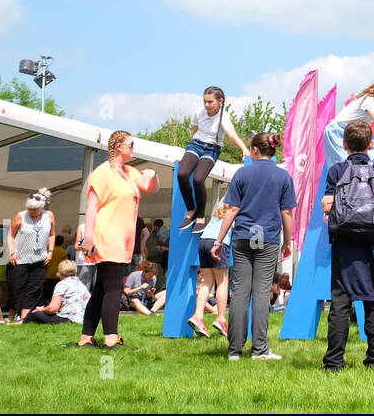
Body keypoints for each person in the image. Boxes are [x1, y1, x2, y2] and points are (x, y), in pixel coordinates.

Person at [321, 119, 374, 371]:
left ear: (344, 145)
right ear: (370, 145)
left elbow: (326, 205)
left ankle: (334, 362)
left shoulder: (336, 171)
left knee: (340, 304)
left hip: (344, 246)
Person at [215, 131, 295, 360]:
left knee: (240, 291)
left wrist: (219, 240)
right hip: (268, 237)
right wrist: (287, 242)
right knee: (261, 292)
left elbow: (231, 209)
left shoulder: (242, 173)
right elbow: (287, 212)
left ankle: (234, 350)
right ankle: (260, 349)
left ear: (255, 150)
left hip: (242, 236)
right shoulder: (282, 176)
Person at [78, 132, 159, 348]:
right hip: (107, 235)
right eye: (131, 144)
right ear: (118, 146)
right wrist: (88, 237)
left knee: (102, 289)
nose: (134, 148)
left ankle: (86, 337)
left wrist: (154, 175)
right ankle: (111, 338)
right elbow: (92, 206)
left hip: (125, 239)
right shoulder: (101, 174)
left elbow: (151, 188)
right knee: (114, 288)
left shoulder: (130, 172)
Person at [175, 87, 249, 232]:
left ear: (220, 101)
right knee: (182, 174)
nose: (207, 105)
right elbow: (195, 132)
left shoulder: (224, 116)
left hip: (212, 148)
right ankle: (191, 210)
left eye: (210, 102)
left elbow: (232, 135)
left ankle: (201, 217)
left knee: (198, 179)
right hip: (195, 145)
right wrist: (186, 155)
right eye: (205, 102)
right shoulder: (198, 112)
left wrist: (244, 149)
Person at [7, 189, 56, 323]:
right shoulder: (20, 216)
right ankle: (12, 315)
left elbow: (52, 234)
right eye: (29, 208)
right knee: (16, 288)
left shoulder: (49, 216)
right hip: (20, 258)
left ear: (42, 207)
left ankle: (24, 318)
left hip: (39, 259)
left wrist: (50, 251)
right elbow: (11, 235)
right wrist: (12, 252)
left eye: (35, 209)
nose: (31, 211)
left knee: (33, 289)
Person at [190, 203, 232, 337]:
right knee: (222, 282)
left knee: (207, 282)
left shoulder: (221, 205)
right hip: (219, 242)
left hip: (204, 240)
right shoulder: (238, 204)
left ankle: (198, 316)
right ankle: (221, 319)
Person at [24, 260, 91, 325]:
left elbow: (52, 309)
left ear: (60, 271)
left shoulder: (62, 285)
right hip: (84, 319)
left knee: (37, 314)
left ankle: (22, 321)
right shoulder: (80, 283)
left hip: (70, 319)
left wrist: (41, 309)